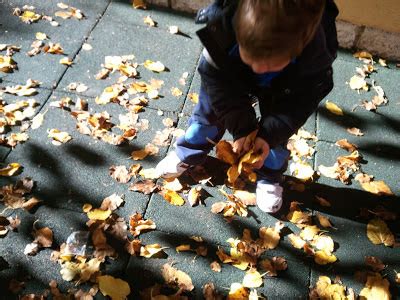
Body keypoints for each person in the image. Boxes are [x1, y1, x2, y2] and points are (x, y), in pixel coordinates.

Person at [156, 0, 339, 213]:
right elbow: (215, 80)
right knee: (207, 117)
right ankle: (188, 151)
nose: (259, 68)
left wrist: (269, 135)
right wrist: (242, 126)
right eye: (250, 56)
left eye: (271, 62)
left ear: (299, 48)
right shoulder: (223, 32)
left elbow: (298, 105)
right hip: (229, 75)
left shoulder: (313, 63)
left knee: (276, 140)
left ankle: (269, 176)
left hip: (284, 88)